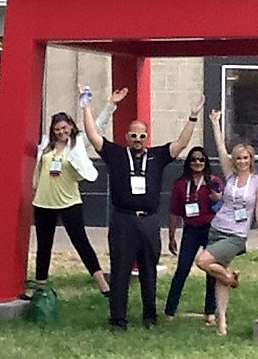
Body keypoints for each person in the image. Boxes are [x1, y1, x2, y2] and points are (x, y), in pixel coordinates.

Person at [81, 85, 203, 331]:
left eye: (142, 136)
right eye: (133, 136)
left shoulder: (157, 156)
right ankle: (118, 320)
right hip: (123, 221)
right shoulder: (115, 154)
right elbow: (93, 135)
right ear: (127, 137)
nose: (138, 140)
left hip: (148, 221)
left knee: (149, 270)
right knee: (120, 272)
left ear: (148, 137)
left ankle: (150, 318)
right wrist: (87, 104)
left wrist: (192, 116)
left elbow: (180, 144)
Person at [195, 109, 258, 336]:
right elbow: (220, 151)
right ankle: (222, 322)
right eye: (238, 158)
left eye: (246, 158)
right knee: (219, 277)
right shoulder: (231, 176)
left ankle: (231, 278)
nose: (242, 161)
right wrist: (215, 124)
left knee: (203, 261)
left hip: (236, 235)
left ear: (251, 159)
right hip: (217, 228)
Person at [31, 110, 115, 298]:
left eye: (64, 128)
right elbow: (38, 168)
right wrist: (34, 188)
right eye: (57, 129)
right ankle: (39, 286)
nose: (61, 132)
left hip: (69, 201)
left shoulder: (77, 143)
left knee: (81, 242)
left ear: (70, 126)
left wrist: (110, 106)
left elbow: (98, 126)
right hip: (44, 202)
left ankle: (103, 284)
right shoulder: (46, 145)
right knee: (44, 245)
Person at [164, 146, 223, 325]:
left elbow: (223, 202)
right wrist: (172, 235)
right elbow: (174, 212)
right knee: (182, 269)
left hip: (210, 229)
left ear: (206, 163)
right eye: (194, 159)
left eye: (201, 160)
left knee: (211, 270)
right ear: (189, 162)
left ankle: (210, 312)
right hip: (190, 229)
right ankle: (169, 311)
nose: (197, 163)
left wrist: (216, 195)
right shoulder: (181, 184)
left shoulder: (213, 180)